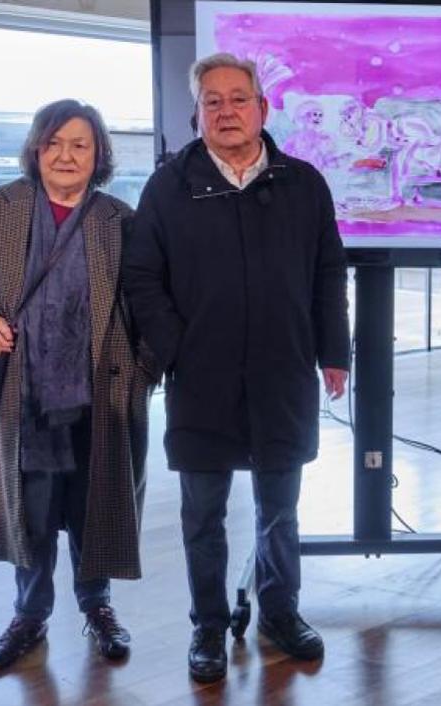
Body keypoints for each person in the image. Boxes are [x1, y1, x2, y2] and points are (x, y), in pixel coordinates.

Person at [122, 53, 351, 684]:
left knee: (281, 507)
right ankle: (208, 625)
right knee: (203, 512)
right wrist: (174, 348)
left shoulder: (304, 182)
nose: (226, 111)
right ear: (197, 114)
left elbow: (329, 271)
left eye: (238, 98)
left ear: (262, 108)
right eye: (212, 101)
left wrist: (335, 350)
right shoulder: (168, 185)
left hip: (284, 373)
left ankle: (281, 612)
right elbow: (142, 278)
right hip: (202, 378)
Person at [0, 99, 150, 671]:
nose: (66, 155)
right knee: (31, 513)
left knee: (96, 507)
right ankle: (29, 615)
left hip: (99, 394)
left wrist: (142, 374)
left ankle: (98, 607)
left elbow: (141, 304)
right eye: (54, 143)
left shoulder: (120, 219)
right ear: (37, 150)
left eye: (80, 145)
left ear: (99, 155)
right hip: (24, 392)